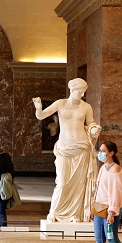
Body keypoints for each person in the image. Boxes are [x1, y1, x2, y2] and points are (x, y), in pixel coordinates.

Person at [33, 78, 101, 223]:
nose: (82, 94)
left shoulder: (86, 107)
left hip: (82, 147)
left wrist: (94, 129)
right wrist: (38, 107)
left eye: (84, 91)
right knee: (63, 182)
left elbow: (91, 123)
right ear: (72, 89)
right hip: (64, 148)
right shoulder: (61, 103)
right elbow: (41, 116)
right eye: (80, 91)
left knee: (79, 184)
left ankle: (74, 214)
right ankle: (55, 212)